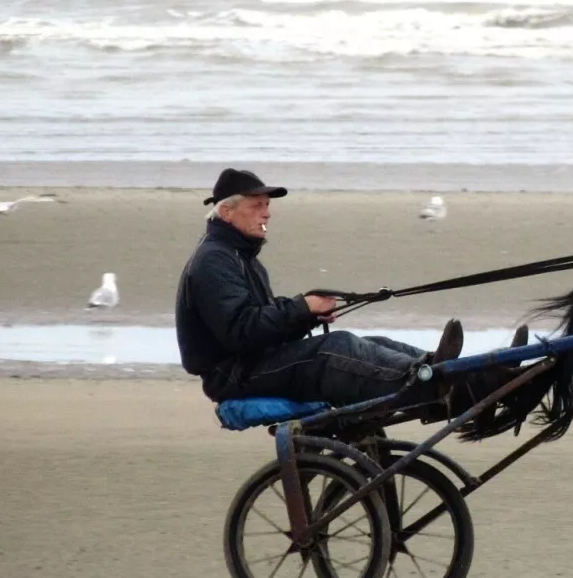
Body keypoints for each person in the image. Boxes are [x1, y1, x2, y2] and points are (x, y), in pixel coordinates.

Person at [175, 168, 462, 407]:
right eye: (257, 206)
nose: (267, 214)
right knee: (336, 347)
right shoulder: (214, 260)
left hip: (252, 362)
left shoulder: (239, 256)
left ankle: (442, 369)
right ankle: (425, 381)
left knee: (375, 344)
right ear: (226, 212)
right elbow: (242, 331)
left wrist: (306, 314)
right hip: (232, 375)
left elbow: (262, 322)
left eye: (267, 205)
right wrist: (302, 308)